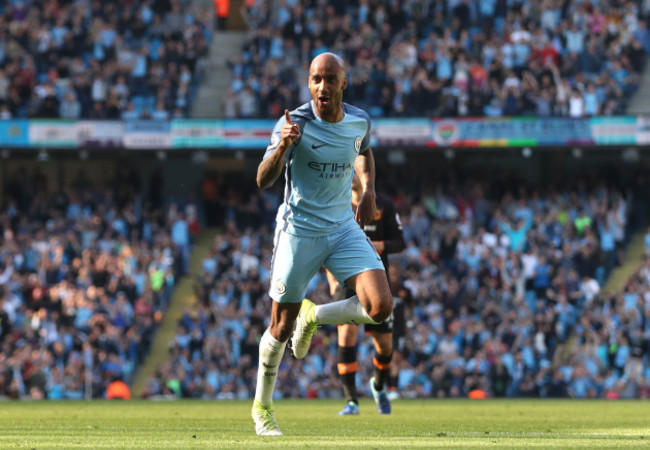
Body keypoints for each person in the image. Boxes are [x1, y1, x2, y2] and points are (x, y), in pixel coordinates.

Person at [251, 52, 393, 436]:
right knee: (280, 327)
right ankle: (262, 409)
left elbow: (363, 150)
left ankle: (314, 316)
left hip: (343, 227)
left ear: (343, 82)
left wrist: (368, 191)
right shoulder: (294, 123)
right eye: (315, 79)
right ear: (308, 82)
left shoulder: (359, 121)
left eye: (330, 79)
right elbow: (263, 180)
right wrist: (282, 147)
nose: (322, 87)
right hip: (299, 230)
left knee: (380, 307)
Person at [325, 172, 405, 416]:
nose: (350, 176)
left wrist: (377, 245)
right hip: (348, 280)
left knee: (384, 346)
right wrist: (332, 281)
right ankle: (352, 401)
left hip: (377, 280)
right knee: (346, 335)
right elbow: (326, 245)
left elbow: (400, 242)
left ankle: (378, 386)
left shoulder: (385, 205)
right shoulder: (335, 206)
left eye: (355, 170)